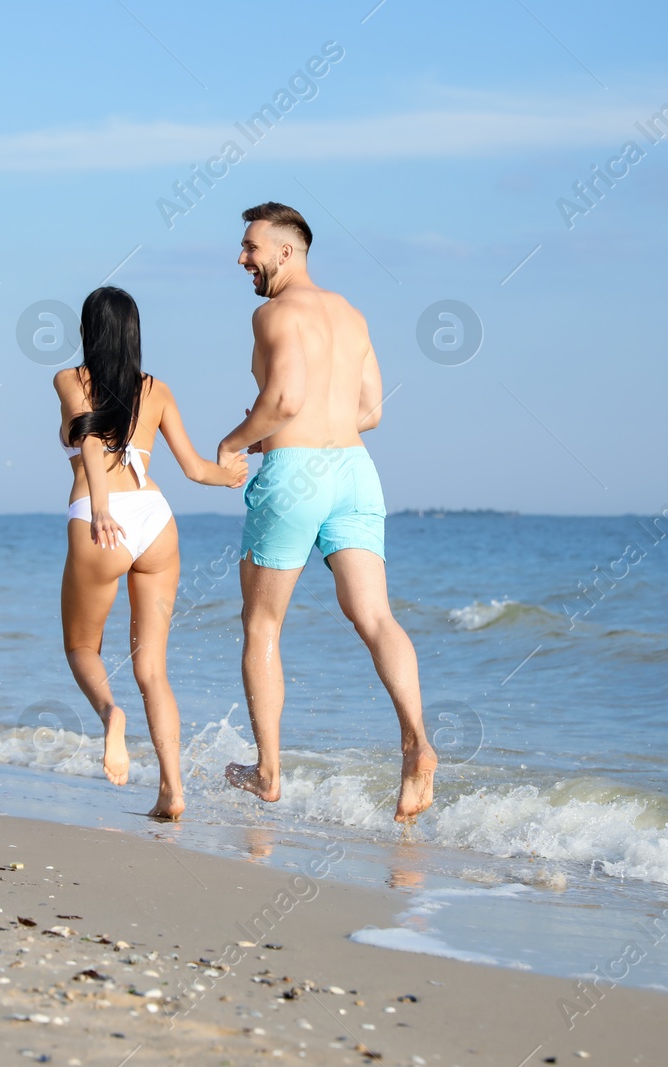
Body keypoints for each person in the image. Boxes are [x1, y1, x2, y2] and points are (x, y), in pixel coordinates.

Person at [215, 202, 437, 823]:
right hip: (355, 471)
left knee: (262, 626)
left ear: (286, 252)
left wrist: (234, 443)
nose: (242, 259)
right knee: (375, 616)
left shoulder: (273, 313)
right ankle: (416, 740)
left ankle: (267, 772)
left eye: (250, 247)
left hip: (295, 476)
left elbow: (283, 397)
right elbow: (371, 410)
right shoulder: (351, 314)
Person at [57, 286, 247, 820]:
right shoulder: (157, 390)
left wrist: (98, 506)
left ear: (88, 331)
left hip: (105, 520)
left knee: (80, 647)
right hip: (156, 520)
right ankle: (171, 789)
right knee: (153, 670)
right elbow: (193, 469)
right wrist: (228, 473)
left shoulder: (71, 380)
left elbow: (90, 438)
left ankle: (112, 716)